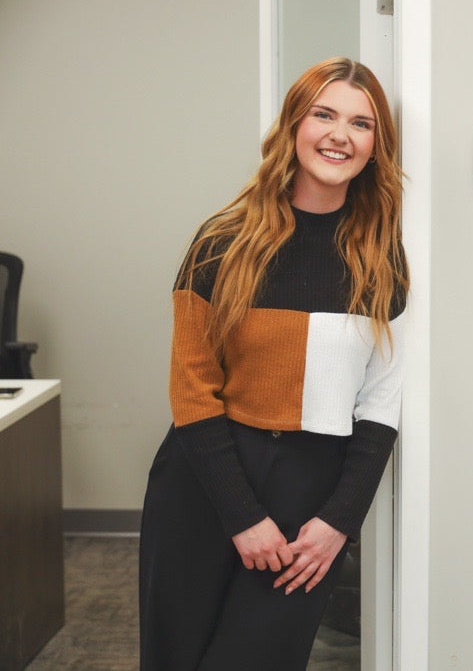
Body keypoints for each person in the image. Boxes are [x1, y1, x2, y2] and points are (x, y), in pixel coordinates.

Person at [139, 57, 407, 670]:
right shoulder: (221, 242)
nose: (341, 134)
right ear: (294, 126)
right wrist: (243, 515)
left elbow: (381, 401)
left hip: (309, 499)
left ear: (375, 148)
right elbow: (192, 391)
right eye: (324, 114)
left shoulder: (382, 258)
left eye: (361, 124)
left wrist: (339, 521)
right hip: (204, 483)